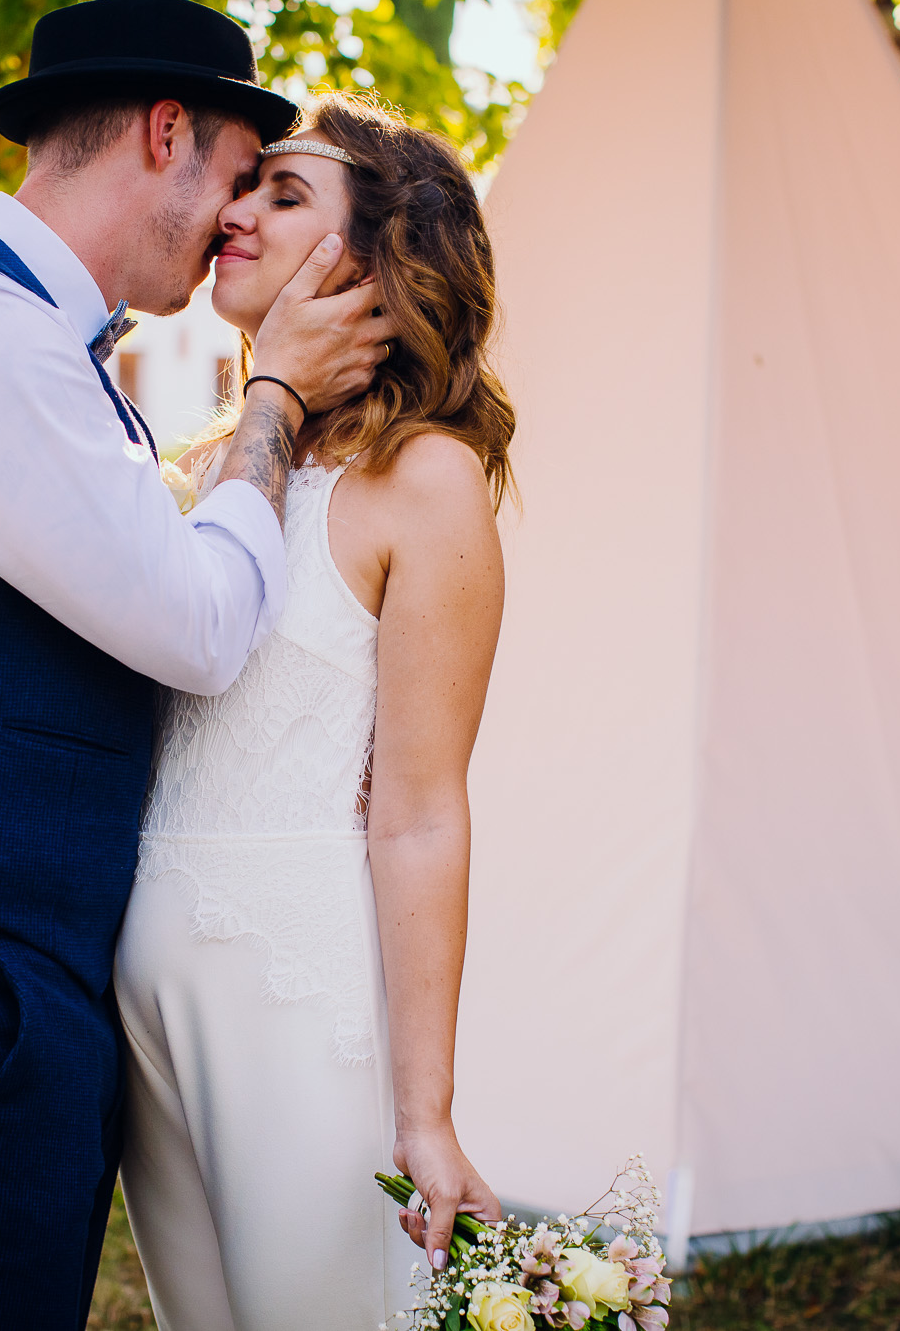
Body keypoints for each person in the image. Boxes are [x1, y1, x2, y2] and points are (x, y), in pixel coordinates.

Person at [0, 1, 389, 1327]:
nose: (235, 221)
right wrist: (273, 395)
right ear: (168, 132)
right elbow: (200, 625)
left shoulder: (36, 343)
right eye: (238, 176)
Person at [116, 91, 516, 1330]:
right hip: (139, 994)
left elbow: (419, 814)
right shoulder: (209, 473)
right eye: (249, 186)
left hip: (292, 982)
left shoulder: (426, 484)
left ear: (385, 275)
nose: (233, 210)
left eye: (283, 196)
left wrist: (425, 1113)